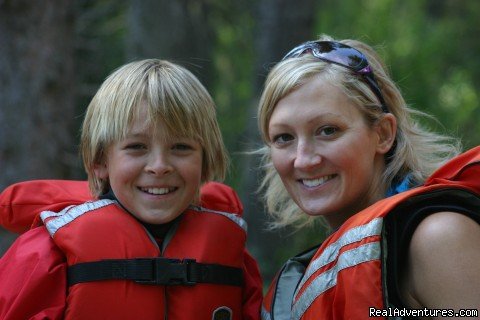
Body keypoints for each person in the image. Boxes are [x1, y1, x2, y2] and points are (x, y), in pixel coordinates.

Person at [0, 59, 262, 320]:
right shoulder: (44, 255)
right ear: (100, 161)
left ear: (205, 161)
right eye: (137, 147)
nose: (159, 167)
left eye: (181, 147)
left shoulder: (233, 255)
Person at [258, 35, 480, 319]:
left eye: (328, 130)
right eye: (284, 137)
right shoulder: (307, 277)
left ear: (383, 134)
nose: (303, 159)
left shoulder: (437, 237)